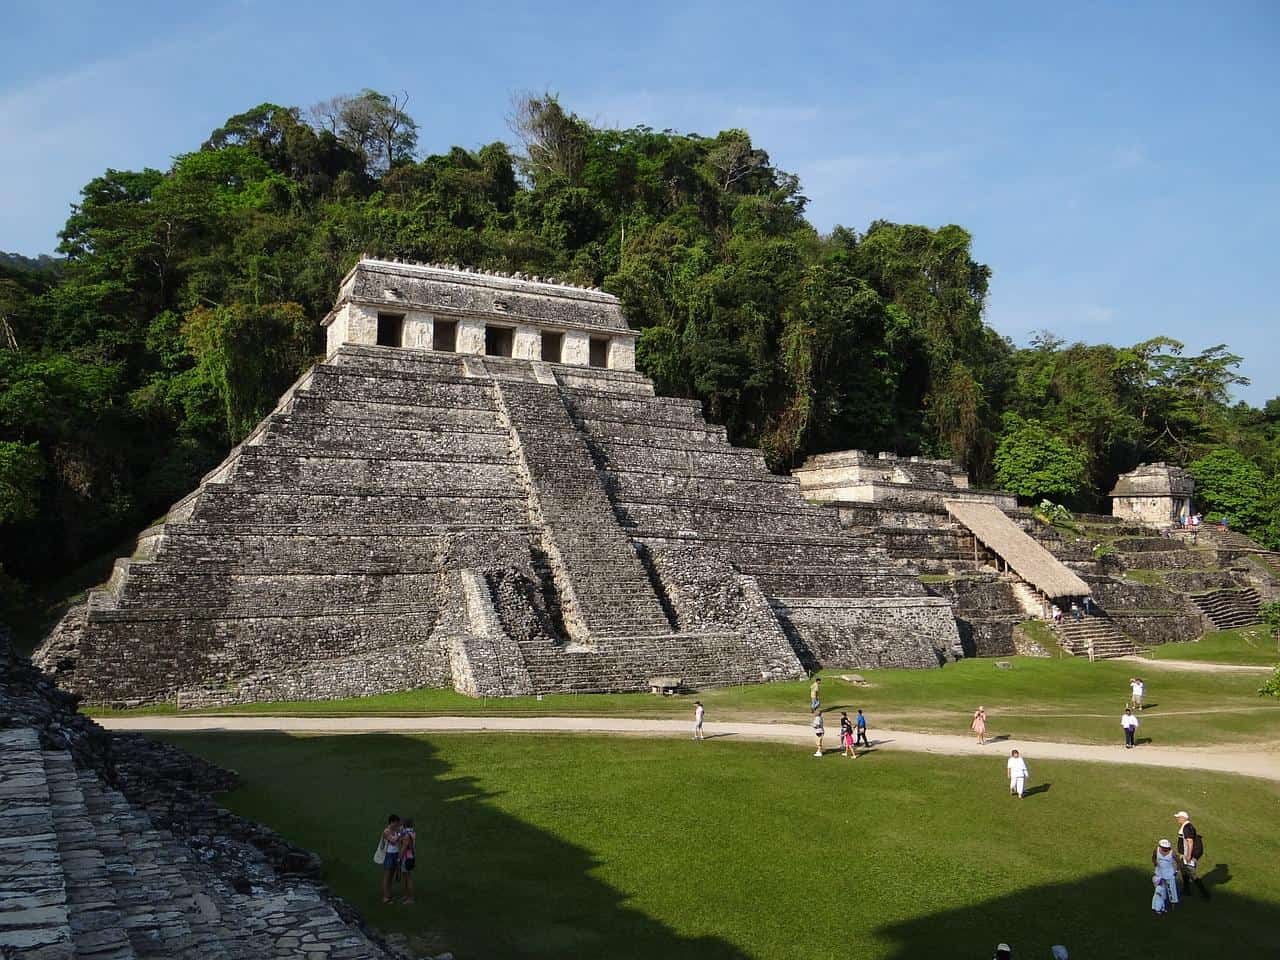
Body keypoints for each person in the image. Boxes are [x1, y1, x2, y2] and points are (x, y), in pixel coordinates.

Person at [1175, 811, 1207, 898]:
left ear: (1183, 818)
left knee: (1192, 875)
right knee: (1184, 872)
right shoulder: (1187, 826)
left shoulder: (1187, 827)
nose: (1177, 819)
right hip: (1184, 854)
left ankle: (1205, 893)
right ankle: (1186, 890)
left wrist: (1188, 855)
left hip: (1187, 855)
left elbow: (1190, 841)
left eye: (1178, 817)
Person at [378, 814, 402, 904]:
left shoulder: (395, 830)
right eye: (396, 823)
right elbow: (393, 841)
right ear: (392, 822)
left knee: (391, 875)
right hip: (388, 855)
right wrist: (400, 834)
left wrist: (399, 855)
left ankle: (389, 893)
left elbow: (398, 843)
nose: (397, 825)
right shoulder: (386, 831)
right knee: (387, 876)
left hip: (395, 854)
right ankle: (385, 897)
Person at [1152, 839, 1180, 908]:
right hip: (1159, 873)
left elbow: (1178, 862)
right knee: (1160, 889)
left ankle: (1173, 903)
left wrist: (1176, 871)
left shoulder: (1172, 852)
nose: (1165, 849)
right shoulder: (1157, 850)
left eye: (1166, 848)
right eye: (1163, 847)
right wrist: (1155, 864)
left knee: (1171, 889)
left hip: (1169, 874)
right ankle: (1161, 903)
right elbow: (1154, 857)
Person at [399, 818, 417, 904]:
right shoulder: (412, 833)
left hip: (406, 857)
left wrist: (399, 858)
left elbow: (403, 848)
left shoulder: (406, 835)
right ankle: (406, 895)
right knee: (406, 877)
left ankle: (410, 898)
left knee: (408, 878)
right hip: (411, 856)